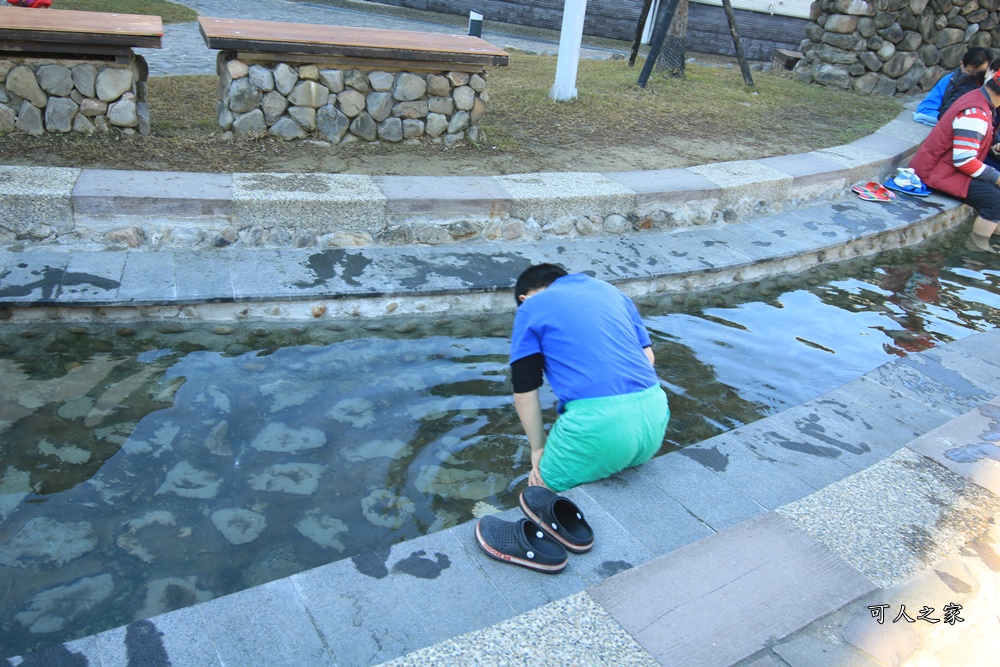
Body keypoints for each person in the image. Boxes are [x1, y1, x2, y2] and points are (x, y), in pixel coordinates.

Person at [509, 263, 669, 492]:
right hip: (654, 415)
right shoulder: (612, 291)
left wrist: (538, 448)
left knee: (539, 493)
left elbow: (524, 389)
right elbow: (648, 357)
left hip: (599, 426)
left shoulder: (531, 307)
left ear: (525, 298)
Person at [910, 56, 1000, 254]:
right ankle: (976, 252)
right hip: (936, 173)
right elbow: (964, 161)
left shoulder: (980, 99)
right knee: (995, 201)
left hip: (943, 167)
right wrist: (997, 177)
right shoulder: (976, 112)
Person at [913, 48, 991, 126]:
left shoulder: (989, 85)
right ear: (961, 65)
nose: (975, 76)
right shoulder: (950, 80)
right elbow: (925, 109)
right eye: (970, 72)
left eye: (981, 72)